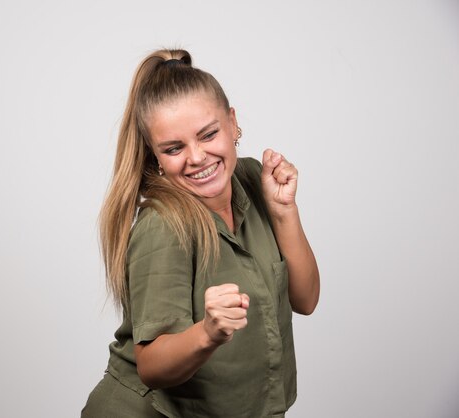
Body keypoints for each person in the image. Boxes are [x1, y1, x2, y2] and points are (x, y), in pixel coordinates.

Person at [82, 48, 320, 418]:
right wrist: (207, 333)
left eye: (208, 134)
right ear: (155, 156)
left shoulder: (254, 180)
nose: (196, 157)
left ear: (232, 122)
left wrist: (285, 211)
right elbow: (151, 365)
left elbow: (305, 300)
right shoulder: (163, 225)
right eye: (174, 148)